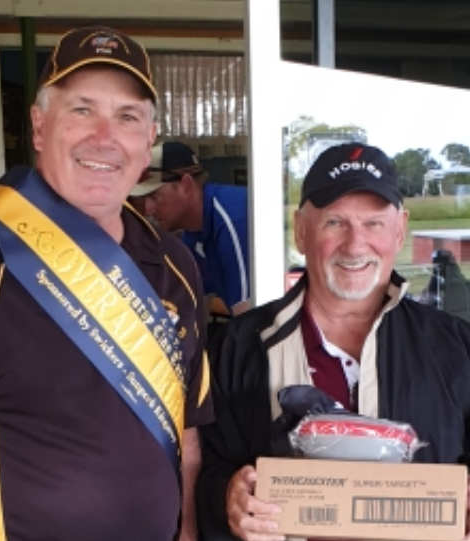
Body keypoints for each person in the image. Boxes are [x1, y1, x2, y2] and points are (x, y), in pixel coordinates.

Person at [0, 25, 212, 541]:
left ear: (148, 140)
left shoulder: (176, 267)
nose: (104, 137)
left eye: (127, 117)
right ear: (38, 126)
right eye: (82, 110)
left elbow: (185, 439)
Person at [196, 143, 470, 541]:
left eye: (374, 223)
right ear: (302, 231)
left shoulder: (456, 348)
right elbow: (202, 474)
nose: (356, 244)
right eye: (335, 223)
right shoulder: (237, 348)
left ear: (400, 230)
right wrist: (227, 499)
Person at [130, 141, 250, 316]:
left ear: (186, 186)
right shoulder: (192, 234)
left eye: (154, 197)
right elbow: (192, 305)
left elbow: (250, 317)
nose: (148, 209)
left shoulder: (231, 221)